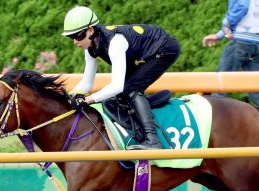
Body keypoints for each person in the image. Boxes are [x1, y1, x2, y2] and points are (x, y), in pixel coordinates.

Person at [62, 6, 181, 150]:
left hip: (164, 48)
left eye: (78, 36)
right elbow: (87, 83)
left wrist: (88, 100)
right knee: (121, 95)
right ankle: (139, 127)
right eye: (71, 37)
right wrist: (72, 96)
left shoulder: (115, 42)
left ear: (91, 30)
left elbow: (117, 85)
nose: (75, 41)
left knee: (131, 89)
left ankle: (153, 140)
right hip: (143, 53)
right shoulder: (90, 49)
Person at [202, 0, 259, 126]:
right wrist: (219, 35)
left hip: (241, 42)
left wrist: (225, 23)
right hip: (257, 43)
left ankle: (210, 128)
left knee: (219, 87)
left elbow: (242, 5)